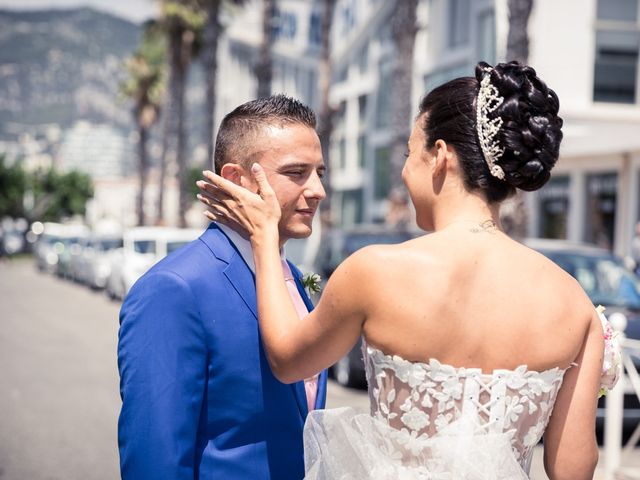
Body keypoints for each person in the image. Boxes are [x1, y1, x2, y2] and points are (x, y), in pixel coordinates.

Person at [198, 62, 620, 479]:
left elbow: (288, 361)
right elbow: (572, 468)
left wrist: (264, 237)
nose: (403, 171)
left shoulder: (376, 271)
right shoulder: (573, 303)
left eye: (409, 152)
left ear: (439, 156)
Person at [117, 95, 329, 479]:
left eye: (320, 173)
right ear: (236, 180)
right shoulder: (175, 289)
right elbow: (155, 458)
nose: (317, 190)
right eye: (297, 172)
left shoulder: (295, 278)